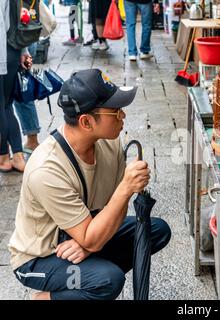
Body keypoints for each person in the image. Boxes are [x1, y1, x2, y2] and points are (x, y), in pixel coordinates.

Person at [8, 69, 171, 300]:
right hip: (39, 258)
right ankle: (45, 298)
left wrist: (88, 245)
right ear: (86, 121)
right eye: (115, 111)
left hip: (82, 232)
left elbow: (115, 208)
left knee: (155, 230)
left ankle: (89, 267)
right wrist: (125, 188)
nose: (123, 115)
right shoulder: (46, 169)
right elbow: (116, 201)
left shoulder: (110, 143)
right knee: (107, 281)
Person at [0, 0, 31, 173]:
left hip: (3, 52)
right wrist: (23, 51)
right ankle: (18, 157)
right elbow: (19, 19)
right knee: (6, 106)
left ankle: (3, 157)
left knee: (1, 106)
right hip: (13, 50)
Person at [13, 43, 41, 154]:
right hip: (27, 40)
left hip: (19, 44)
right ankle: (32, 140)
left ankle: (32, 141)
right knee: (23, 91)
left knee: (22, 92)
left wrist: (23, 49)